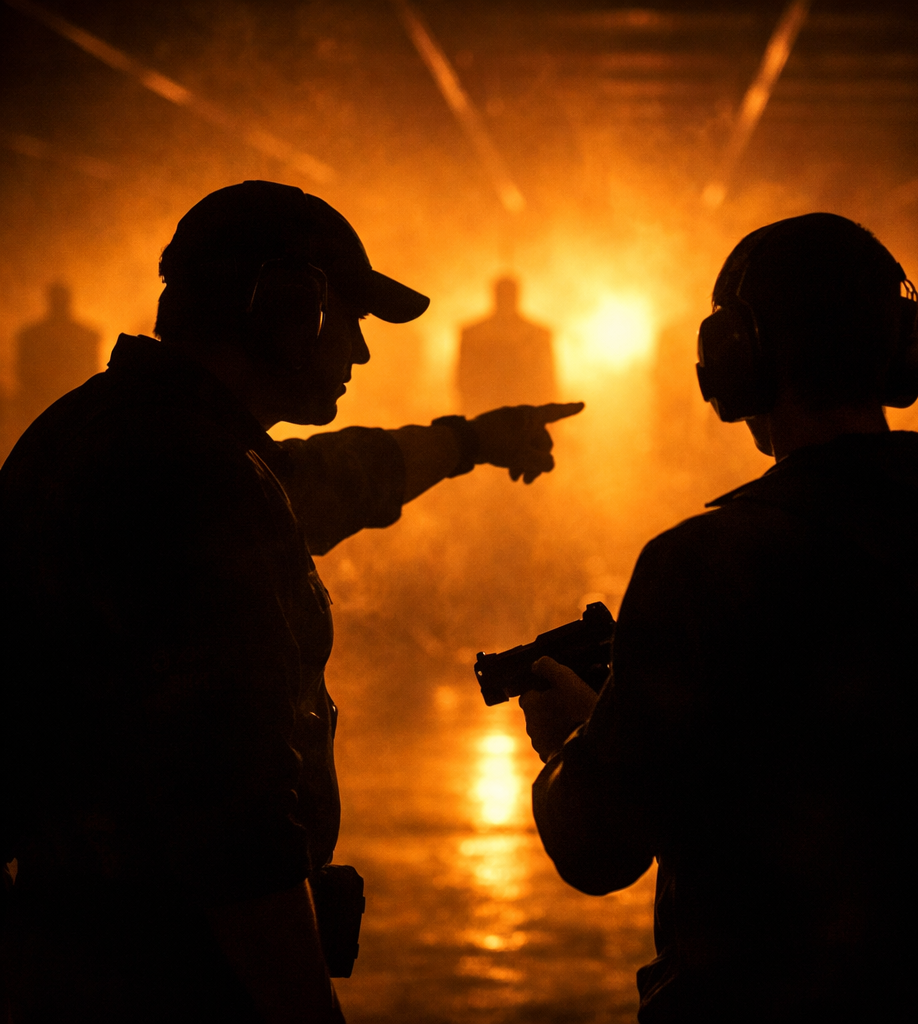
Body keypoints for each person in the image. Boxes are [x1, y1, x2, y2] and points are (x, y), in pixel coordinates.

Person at [0, 180, 582, 1023]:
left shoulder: (134, 435)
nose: (360, 352)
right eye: (346, 320)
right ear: (286, 309)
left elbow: (320, 485)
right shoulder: (192, 477)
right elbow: (231, 814)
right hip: (157, 973)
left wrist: (470, 440)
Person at [519, 213, 918, 1022]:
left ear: (736, 359)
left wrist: (568, 744)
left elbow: (598, 846)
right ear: (904, 351)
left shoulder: (703, 564)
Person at [457, 275, 557, 416]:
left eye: (509, 295)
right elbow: (463, 380)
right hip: (486, 414)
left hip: (524, 415)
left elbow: (547, 382)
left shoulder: (538, 335)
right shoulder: (473, 334)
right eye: (503, 295)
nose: (506, 299)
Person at [13, 280, 101, 434]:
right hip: (52, 403)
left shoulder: (30, 335)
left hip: (65, 403)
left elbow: (22, 372)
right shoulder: (86, 335)